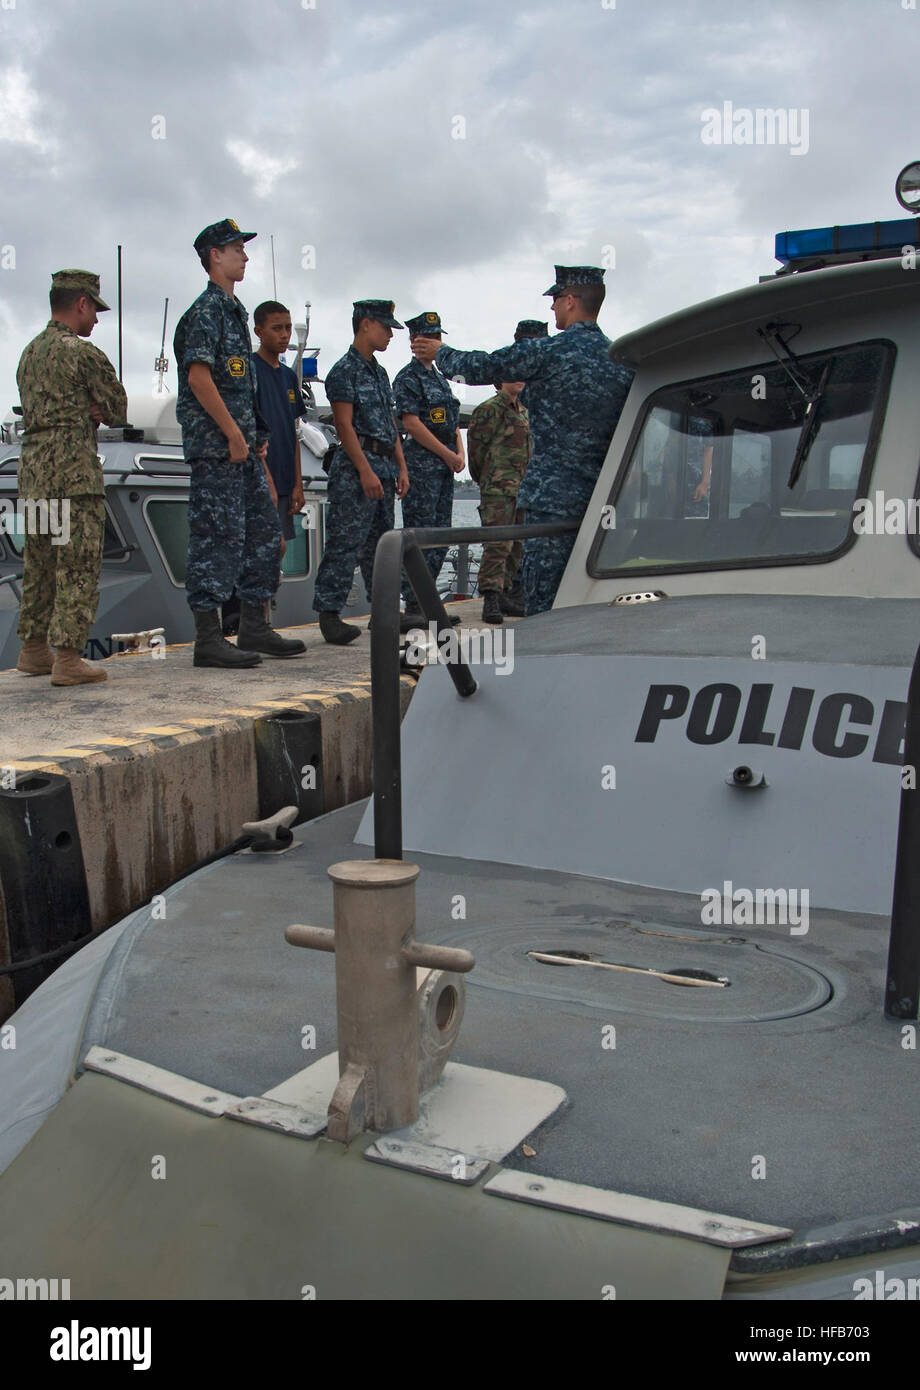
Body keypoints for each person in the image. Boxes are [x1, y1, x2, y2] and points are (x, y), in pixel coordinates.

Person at [412, 266, 635, 614]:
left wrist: (440, 352)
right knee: (595, 604)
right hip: (606, 502)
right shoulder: (621, 360)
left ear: (572, 300)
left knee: (545, 607)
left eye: (557, 299)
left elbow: (479, 367)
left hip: (552, 505)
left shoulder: (548, 352)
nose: (552, 308)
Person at [173, 219, 305, 667]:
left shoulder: (234, 312)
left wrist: (254, 438)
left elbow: (241, 391)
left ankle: (253, 626)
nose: (244, 257)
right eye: (235, 249)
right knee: (216, 539)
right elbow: (198, 377)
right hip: (217, 450)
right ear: (214, 255)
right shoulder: (206, 313)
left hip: (244, 451)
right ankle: (208, 639)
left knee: (266, 535)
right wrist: (231, 433)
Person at [14, 269, 127, 686]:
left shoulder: (28, 353)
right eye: (94, 310)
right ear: (80, 303)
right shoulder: (83, 354)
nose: (95, 320)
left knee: (39, 564)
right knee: (77, 566)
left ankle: (33, 650)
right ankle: (67, 657)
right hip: (73, 475)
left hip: (33, 473)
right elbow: (116, 408)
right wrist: (96, 407)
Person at [312, 300, 409, 644]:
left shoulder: (380, 373)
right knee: (345, 542)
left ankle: (384, 612)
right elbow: (344, 425)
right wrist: (365, 470)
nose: (390, 335)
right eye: (386, 328)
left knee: (382, 547)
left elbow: (391, 424)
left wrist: (401, 465)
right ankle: (329, 614)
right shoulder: (344, 371)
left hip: (384, 465)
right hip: (357, 468)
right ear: (366, 324)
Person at [393, 312, 464, 625]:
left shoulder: (440, 379)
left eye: (437, 337)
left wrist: (459, 453)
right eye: (427, 337)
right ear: (413, 341)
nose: (434, 342)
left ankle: (428, 602)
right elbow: (412, 423)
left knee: (441, 536)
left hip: (444, 469)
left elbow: (453, 421)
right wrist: (448, 454)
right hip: (421, 467)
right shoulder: (407, 379)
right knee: (420, 538)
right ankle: (413, 605)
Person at [467, 381, 532, 624]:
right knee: (497, 544)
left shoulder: (524, 411)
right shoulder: (489, 409)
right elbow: (476, 451)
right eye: (511, 375)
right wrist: (488, 478)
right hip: (497, 487)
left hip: (522, 488)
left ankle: (505, 593)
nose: (518, 380)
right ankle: (491, 598)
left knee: (516, 546)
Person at [252, 300, 308, 565]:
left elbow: (293, 433)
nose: (285, 334)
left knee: (277, 553)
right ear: (259, 331)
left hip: (286, 481)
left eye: (287, 327)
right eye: (277, 328)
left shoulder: (288, 377)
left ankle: (266, 605)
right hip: (260, 478)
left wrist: (298, 484)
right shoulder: (249, 372)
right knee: (271, 547)